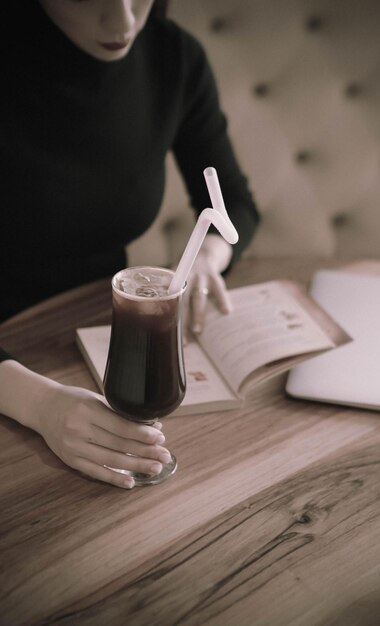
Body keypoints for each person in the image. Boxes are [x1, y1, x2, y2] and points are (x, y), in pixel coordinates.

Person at [0, 0, 259, 488]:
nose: (123, 22)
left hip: (100, 336)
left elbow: (235, 204)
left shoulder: (172, 56)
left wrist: (208, 258)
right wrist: (38, 403)